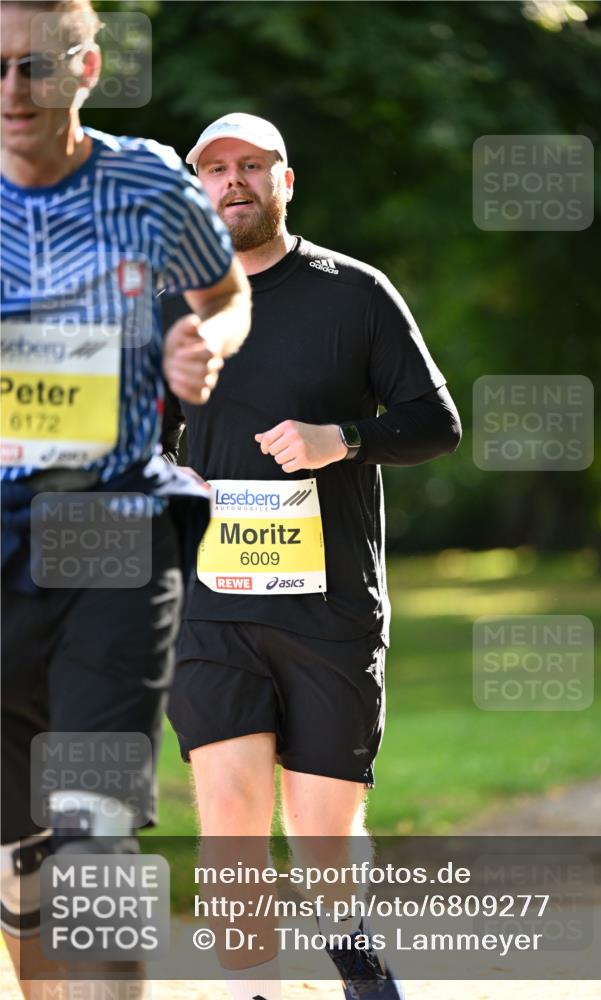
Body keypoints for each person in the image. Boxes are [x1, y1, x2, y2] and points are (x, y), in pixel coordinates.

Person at [163, 112, 461, 1000]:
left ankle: (357, 966)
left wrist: (344, 438)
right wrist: (175, 482)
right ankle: (253, 989)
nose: (232, 181)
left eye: (252, 165)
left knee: (323, 834)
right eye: (213, 168)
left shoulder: (353, 292)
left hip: (329, 605)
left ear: (285, 181)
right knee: (228, 813)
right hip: (210, 603)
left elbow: (434, 425)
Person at [0, 3, 251, 996]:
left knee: (94, 833)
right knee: (30, 862)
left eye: (36, 66)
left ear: (87, 66)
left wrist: (207, 345)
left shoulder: (145, 181)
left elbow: (224, 294)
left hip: (113, 521)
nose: (13, 91)